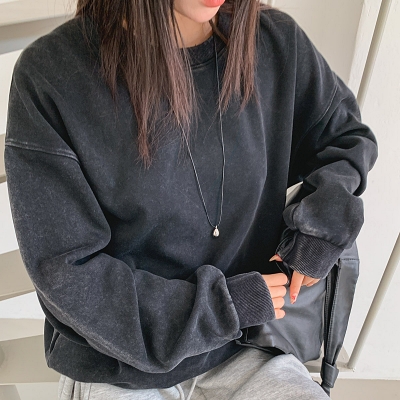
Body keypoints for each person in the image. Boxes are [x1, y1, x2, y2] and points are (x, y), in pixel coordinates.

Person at [4, 0, 377, 399]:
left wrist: (320, 229)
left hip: (247, 346)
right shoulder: (53, 77)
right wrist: (220, 307)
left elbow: (344, 139)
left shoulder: (273, 42)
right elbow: (67, 271)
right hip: (121, 364)